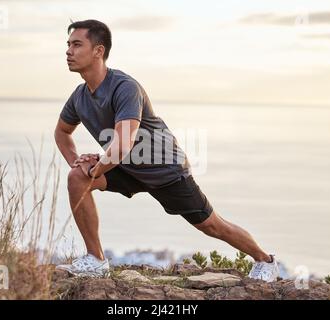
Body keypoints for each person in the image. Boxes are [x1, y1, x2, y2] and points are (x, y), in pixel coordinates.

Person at [54, 19, 279, 282]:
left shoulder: (125, 87)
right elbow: (62, 133)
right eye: (68, 45)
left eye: (77, 44)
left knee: (212, 225)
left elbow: (124, 144)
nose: (68, 51)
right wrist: (77, 163)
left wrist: (95, 167)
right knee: (77, 179)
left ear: (98, 51)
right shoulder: (79, 97)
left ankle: (265, 261)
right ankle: (95, 259)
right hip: (126, 167)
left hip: (166, 170)